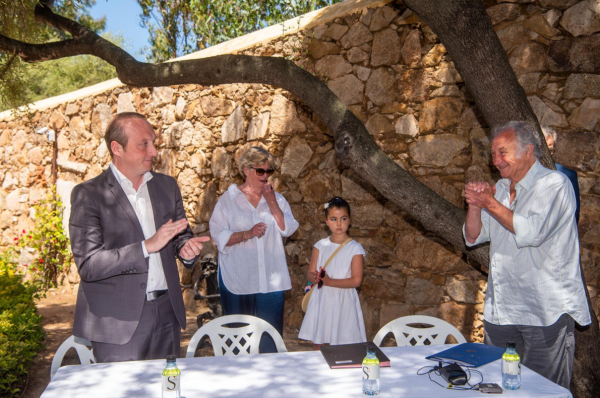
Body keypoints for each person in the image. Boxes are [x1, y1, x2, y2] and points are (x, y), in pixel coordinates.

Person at [69, 112, 210, 363]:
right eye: (144, 144)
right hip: (117, 321)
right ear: (117, 148)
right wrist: (147, 246)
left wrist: (185, 249)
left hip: (167, 314)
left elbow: (178, 235)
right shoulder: (89, 194)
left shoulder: (167, 186)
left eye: (154, 142)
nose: (153, 151)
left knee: (167, 390)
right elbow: (89, 265)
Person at [463, 121, 591, 389]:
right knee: (497, 388)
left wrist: (489, 203)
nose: (496, 160)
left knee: (543, 390)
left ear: (528, 151)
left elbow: (531, 233)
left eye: (502, 152)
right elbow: (473, 237)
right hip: (501, 310)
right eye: (493, 154)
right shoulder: (499, 189)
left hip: (544, 311)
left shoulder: (555, 185)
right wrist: (475, 206)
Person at [209, 146, 299, 353]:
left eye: (269, 172)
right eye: (260, 171)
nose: (265, 176)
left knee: (270, 342)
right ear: (246, 170)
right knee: (238, 345)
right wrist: (246, 234)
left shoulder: (277, 199)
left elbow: (288, 229)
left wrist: (271, 201)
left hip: (270, 281)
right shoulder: (228, 201)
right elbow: (218, 235)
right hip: (238, 281)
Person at [299, 197, 367, 349]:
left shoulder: (355, 248)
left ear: (349, 220)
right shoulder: (320, 246)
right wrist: (315, 277)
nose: (338, 224)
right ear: (326, 221)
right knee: (320, 342)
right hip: (323, 299)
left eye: (343, 219)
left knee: (344, 344)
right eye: (333, 219)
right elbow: (310, 273)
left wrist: (330, 282)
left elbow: (356, 280)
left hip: (344, 300)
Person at [541, 126, 580, 224]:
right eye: (543, 149)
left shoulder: (568, 175)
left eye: (550, 149)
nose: (547, 154)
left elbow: (574, 214)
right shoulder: (521, 173)